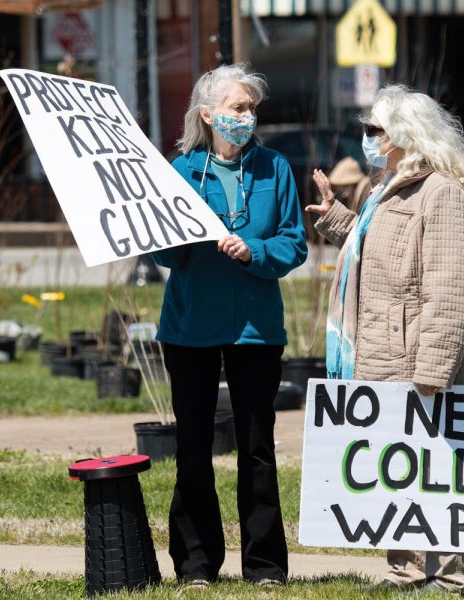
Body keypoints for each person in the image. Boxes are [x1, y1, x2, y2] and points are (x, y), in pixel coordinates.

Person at [307, 85, 464, 597]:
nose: (367, 139)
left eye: (375, 130)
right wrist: (338, 217)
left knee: (439, 467)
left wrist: (433, 370)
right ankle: (406, 572)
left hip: (419, 357)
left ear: (406, 135)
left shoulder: (443, 193)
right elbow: (378, 255)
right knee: (396, 464)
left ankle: (451, 576)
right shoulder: (385, 189)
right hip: (381, 350)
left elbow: (449, 291)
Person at [151, 64, 307, 589]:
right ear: (208, 114)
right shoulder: (179, 171)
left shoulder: (274, 168)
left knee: (257, 447)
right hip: (190, 326)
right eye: (237, 108)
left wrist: (254, 250)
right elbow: (161, 254)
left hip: (254, 331)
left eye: (251, 108)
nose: (247, 117)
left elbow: (293, 244)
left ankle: (265, 567)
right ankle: (196, 565)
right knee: (193, 447)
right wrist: (186, 237)